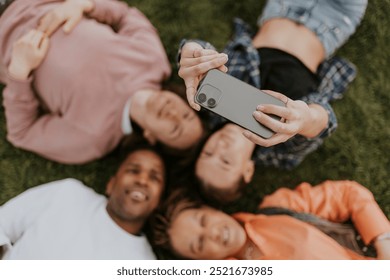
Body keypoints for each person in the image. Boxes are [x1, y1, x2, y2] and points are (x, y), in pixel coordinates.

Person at [178, 0, 367, 201]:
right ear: (248, 170)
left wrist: (191, 51)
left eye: (207, 153)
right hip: (333, 21)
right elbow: (325, 121)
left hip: (281, 8)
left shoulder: (214, 105)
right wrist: (305, 120)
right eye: (225, 161)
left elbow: (203, 53)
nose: (219, 147)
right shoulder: (281, 150)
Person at [0, 0, 203, 164]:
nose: (174, 114)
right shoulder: (155, 63)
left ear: (152, 138)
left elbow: (22, 133)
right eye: (186, 114)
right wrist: (82, 5)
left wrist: (19, 71)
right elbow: (126, 15)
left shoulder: (93, 139)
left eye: (175, 129)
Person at [0, 144, 167, 259]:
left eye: (154, 178)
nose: (142, 181)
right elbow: (4, 221)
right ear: (111, 184)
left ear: (159, 201)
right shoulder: (68, 194)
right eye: (133, 170)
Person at [151, 180, 390, 260]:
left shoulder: (276, 208)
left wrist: (384, 241)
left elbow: (348, 194)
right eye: (200, 244)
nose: (212, 233)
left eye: (203, 221)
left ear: (211, 209)